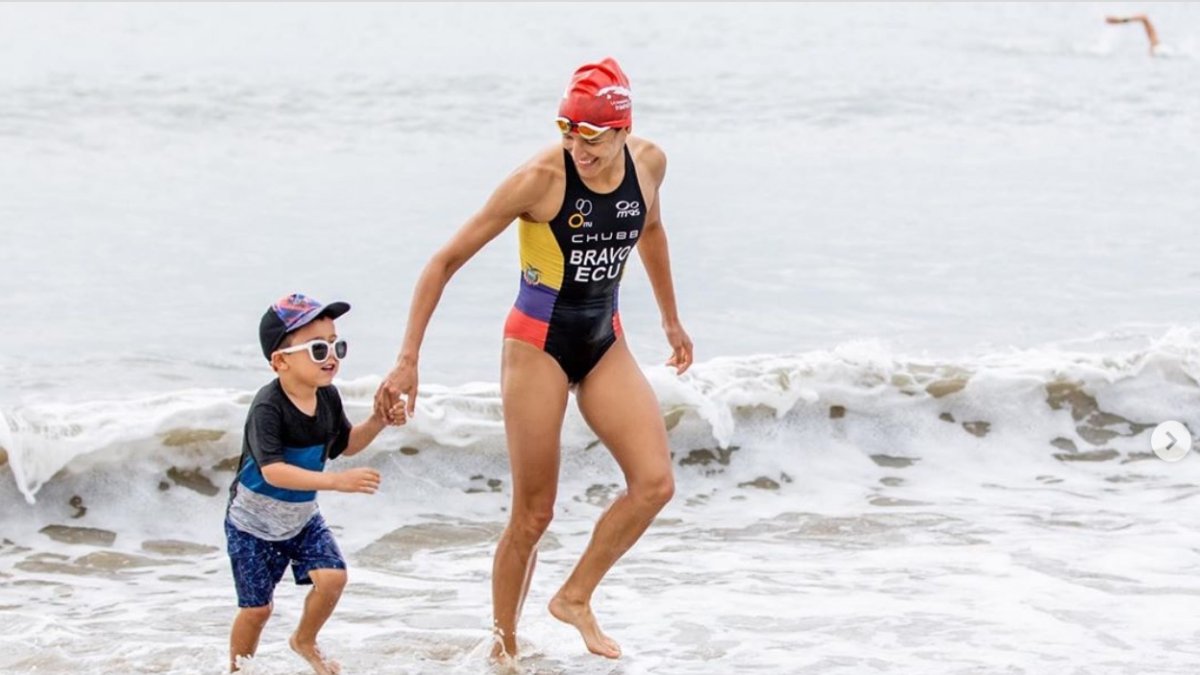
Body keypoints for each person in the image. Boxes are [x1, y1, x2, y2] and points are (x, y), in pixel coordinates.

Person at [373, 57, 693, 661]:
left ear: (624, 129)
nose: (578, 146)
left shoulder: (650, 164)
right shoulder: (538, 180)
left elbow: (651, 230)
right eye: (566, 130)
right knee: (533, 513)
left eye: (592, 136)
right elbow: (442, 262)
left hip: (606, 337)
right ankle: (504, 650)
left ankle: (574, 596)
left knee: (654, 484)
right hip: (536, 344)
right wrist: (407, 359)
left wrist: (671, 320)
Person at [226, 293, 405, 674]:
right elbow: (273, 471)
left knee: (333, 578)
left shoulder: (328, 398)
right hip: (251, 524)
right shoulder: (268, 408)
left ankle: (304, 639)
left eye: (337, 345)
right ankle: (237, 669)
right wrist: (336, 483)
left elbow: (346, 445)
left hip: (301, 517)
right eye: (318, 348)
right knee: (257, 609)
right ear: (280, 362)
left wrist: (379, 420)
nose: (332, 356)